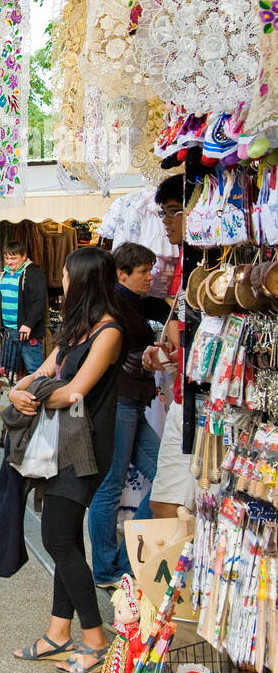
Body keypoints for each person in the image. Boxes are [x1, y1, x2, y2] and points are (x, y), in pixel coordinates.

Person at [9, 247, 124, 673]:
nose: (63, 281)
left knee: (58, 538)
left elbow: (74, 391)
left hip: (86, 447)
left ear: (84, 280)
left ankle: (95, 641)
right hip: (59, 442)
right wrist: (17, 390)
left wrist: (34, 396)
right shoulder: (76, 328)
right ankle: (58, 634)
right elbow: (41, 373)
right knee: (66, 537)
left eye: (67, 275)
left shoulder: (109, 332)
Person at [88, 242, 160, 588]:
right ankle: (107, 569)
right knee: (110, 484)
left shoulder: (131, 304)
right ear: (121, 273)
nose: (150, 277)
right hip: (120, 401)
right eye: (144, 271)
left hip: (134, 402)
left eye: (150, 270)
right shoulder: (114, 306)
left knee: (166, 477)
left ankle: (119, 563)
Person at [141, 174, 197, 519]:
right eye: (163, 213)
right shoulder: (183, 265)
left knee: (180, 502)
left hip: (197, 401)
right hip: (182, 395)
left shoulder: (197, 263)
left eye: (174, 212)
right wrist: (165, 352)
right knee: (168, 500)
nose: (166, 222)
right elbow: (178, 339)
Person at [0, 240, 47, 375]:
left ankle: (40, 396)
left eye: (14, 258)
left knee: (36, 372)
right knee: (6, 374)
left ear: (24, 256)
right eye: (6, 258)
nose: (9, 262)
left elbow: (39, 302)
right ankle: (8, 397)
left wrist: (28, 324)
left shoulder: (33, 273)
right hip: (8, 332)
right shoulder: (5, 273)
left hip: (26, 333)